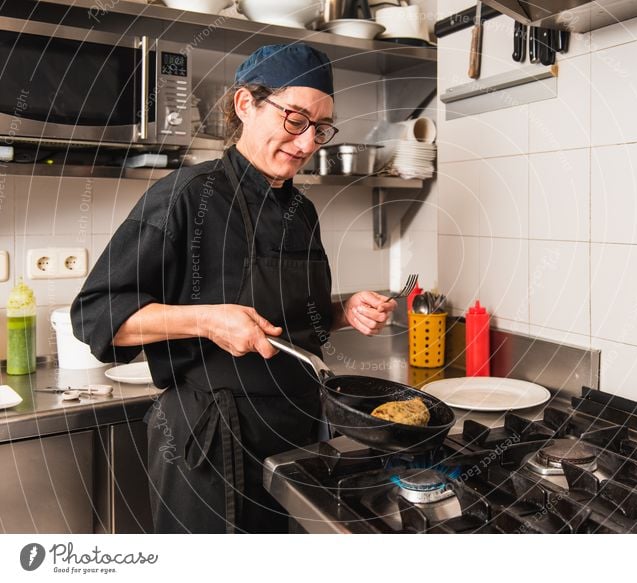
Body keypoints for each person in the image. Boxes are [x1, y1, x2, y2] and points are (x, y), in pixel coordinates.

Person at [71, 43, 397, 533]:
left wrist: (343, 310)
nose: (308, 143)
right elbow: (95, 314)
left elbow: (287, 318)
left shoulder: (300, 209)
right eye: (295, 119)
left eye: (321, 128)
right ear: (246, 104)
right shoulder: (184, 196)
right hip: (212, 443)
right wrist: (205, 319)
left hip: (299, 437)